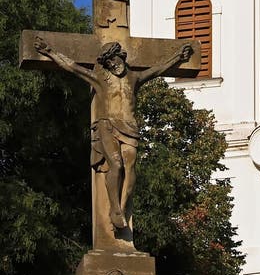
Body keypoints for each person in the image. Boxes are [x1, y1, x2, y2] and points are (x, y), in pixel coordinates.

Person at [34, 37, 193, 230]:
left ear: (121, 57)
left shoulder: (135, 78)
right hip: (107, 125)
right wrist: (49, 51)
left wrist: (178, 56)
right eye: (108, 63)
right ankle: (115, 209)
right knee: (116, 165)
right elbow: (73, 67)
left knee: (130, 166)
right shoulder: (101, 80)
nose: (113, 64)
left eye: (114, 60)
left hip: (130, 127)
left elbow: (158, 69)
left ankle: (123, 208)